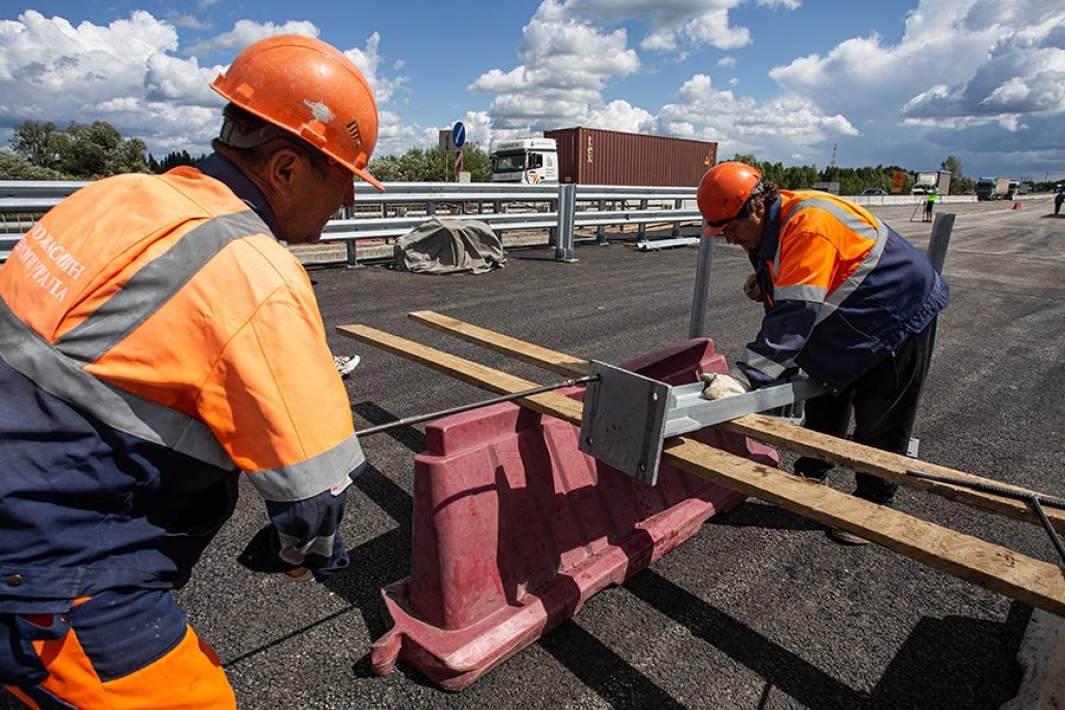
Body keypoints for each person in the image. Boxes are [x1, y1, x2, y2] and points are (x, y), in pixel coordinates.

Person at [0, 35, 382, 707]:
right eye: (344, 176)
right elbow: (315, 501)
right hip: (52, 575)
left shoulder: (114, 196)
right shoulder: (254, 269)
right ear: (287, 169)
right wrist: (301, 553)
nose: (348, 200)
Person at [697, 162, 949, 545]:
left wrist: (745, 377)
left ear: (756, 208)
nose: (728, 239)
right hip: (855, 314)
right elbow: (788, 275)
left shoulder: (808, 225)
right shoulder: (769, 226)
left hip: (898, 309)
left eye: (730, 229)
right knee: (826, 386)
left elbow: (795, 315)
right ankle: (813, 470)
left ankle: (873, 507)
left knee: (881, 415)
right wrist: (765, 281)